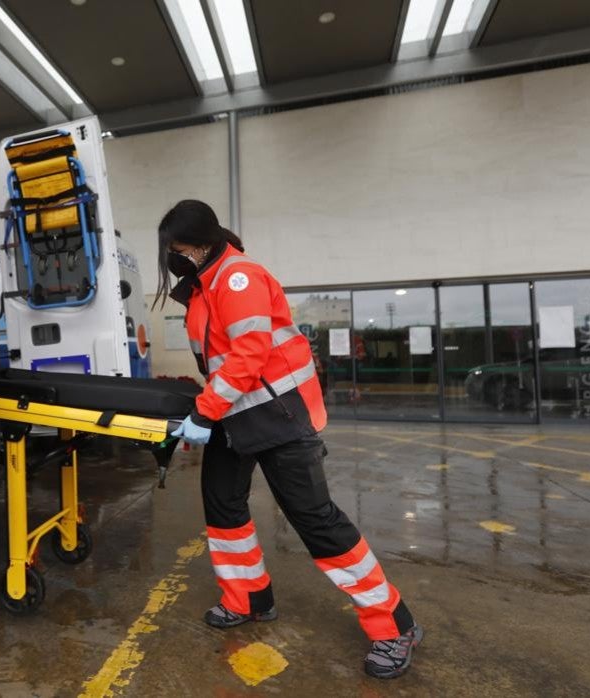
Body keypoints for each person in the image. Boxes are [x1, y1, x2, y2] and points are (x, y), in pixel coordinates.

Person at [157, 200, 423, 679]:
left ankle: (393, 625)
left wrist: (205, 410)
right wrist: (204, 405)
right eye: (174, 251)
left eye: (181, 249)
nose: (177, 257)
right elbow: (218, 363)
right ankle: (249, 598)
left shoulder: (238, 277)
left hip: (277, 415)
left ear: (201, 242)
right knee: (223, 508)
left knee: (315, 520)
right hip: (233, 415)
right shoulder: (204, 285)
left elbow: (250, 353)